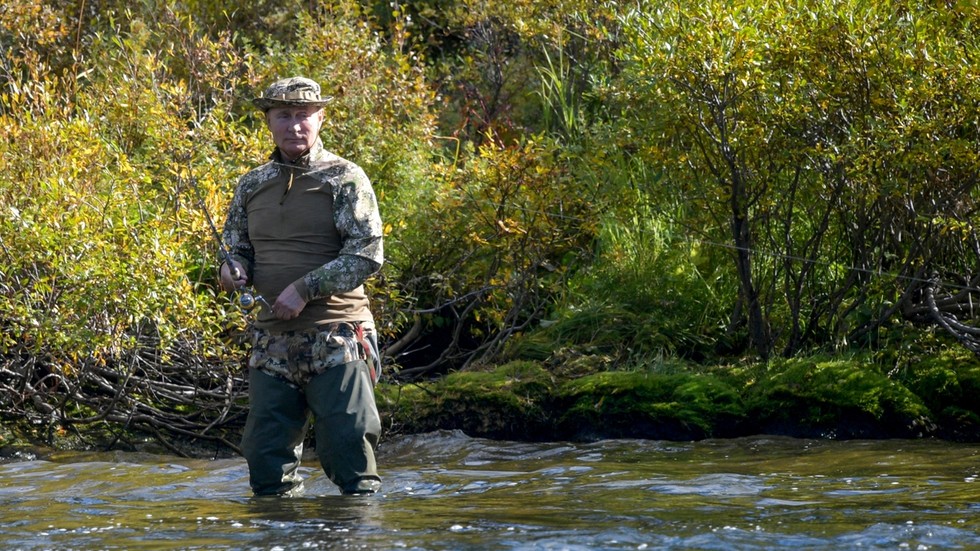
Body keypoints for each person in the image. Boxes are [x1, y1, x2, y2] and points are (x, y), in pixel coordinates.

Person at [219, 76, 384, 496]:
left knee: (351, 455)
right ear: (269, 122)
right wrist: (232, 269)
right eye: (284, 115)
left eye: (303, 116)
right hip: (271, 342)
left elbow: (366, 254)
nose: (294, 125)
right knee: (266, 463)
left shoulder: (345, 178)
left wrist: (305, 288)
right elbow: (236, 250)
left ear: (321, 119)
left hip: (338, 336)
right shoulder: (251, 184)